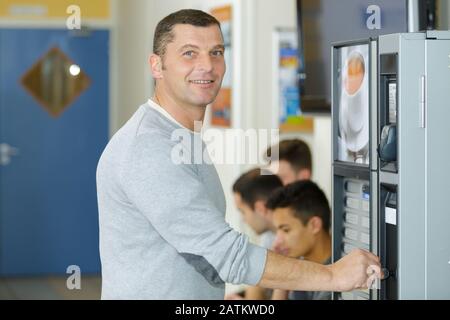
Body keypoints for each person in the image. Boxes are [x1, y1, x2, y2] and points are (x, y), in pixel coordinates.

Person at [96, 9, 381, 300]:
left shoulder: (179, 137)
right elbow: (226, 254)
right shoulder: (149, 148)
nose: (207, 65)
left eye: (216, 52)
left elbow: (205, 259)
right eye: (189, 53)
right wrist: (334, 275)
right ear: (157, 66)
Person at [266, 180, 332, 300]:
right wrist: (284, 268)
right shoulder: (303, 269)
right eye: (277, 232)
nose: (277, 243)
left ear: (314, 225)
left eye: (286, 230)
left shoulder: (336, 281)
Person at [227, 168, 283, 299]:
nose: (244, 220)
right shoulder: (269, 236)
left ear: (260, 208)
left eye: (243, 211)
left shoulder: (293, 240)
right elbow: (256, 283)